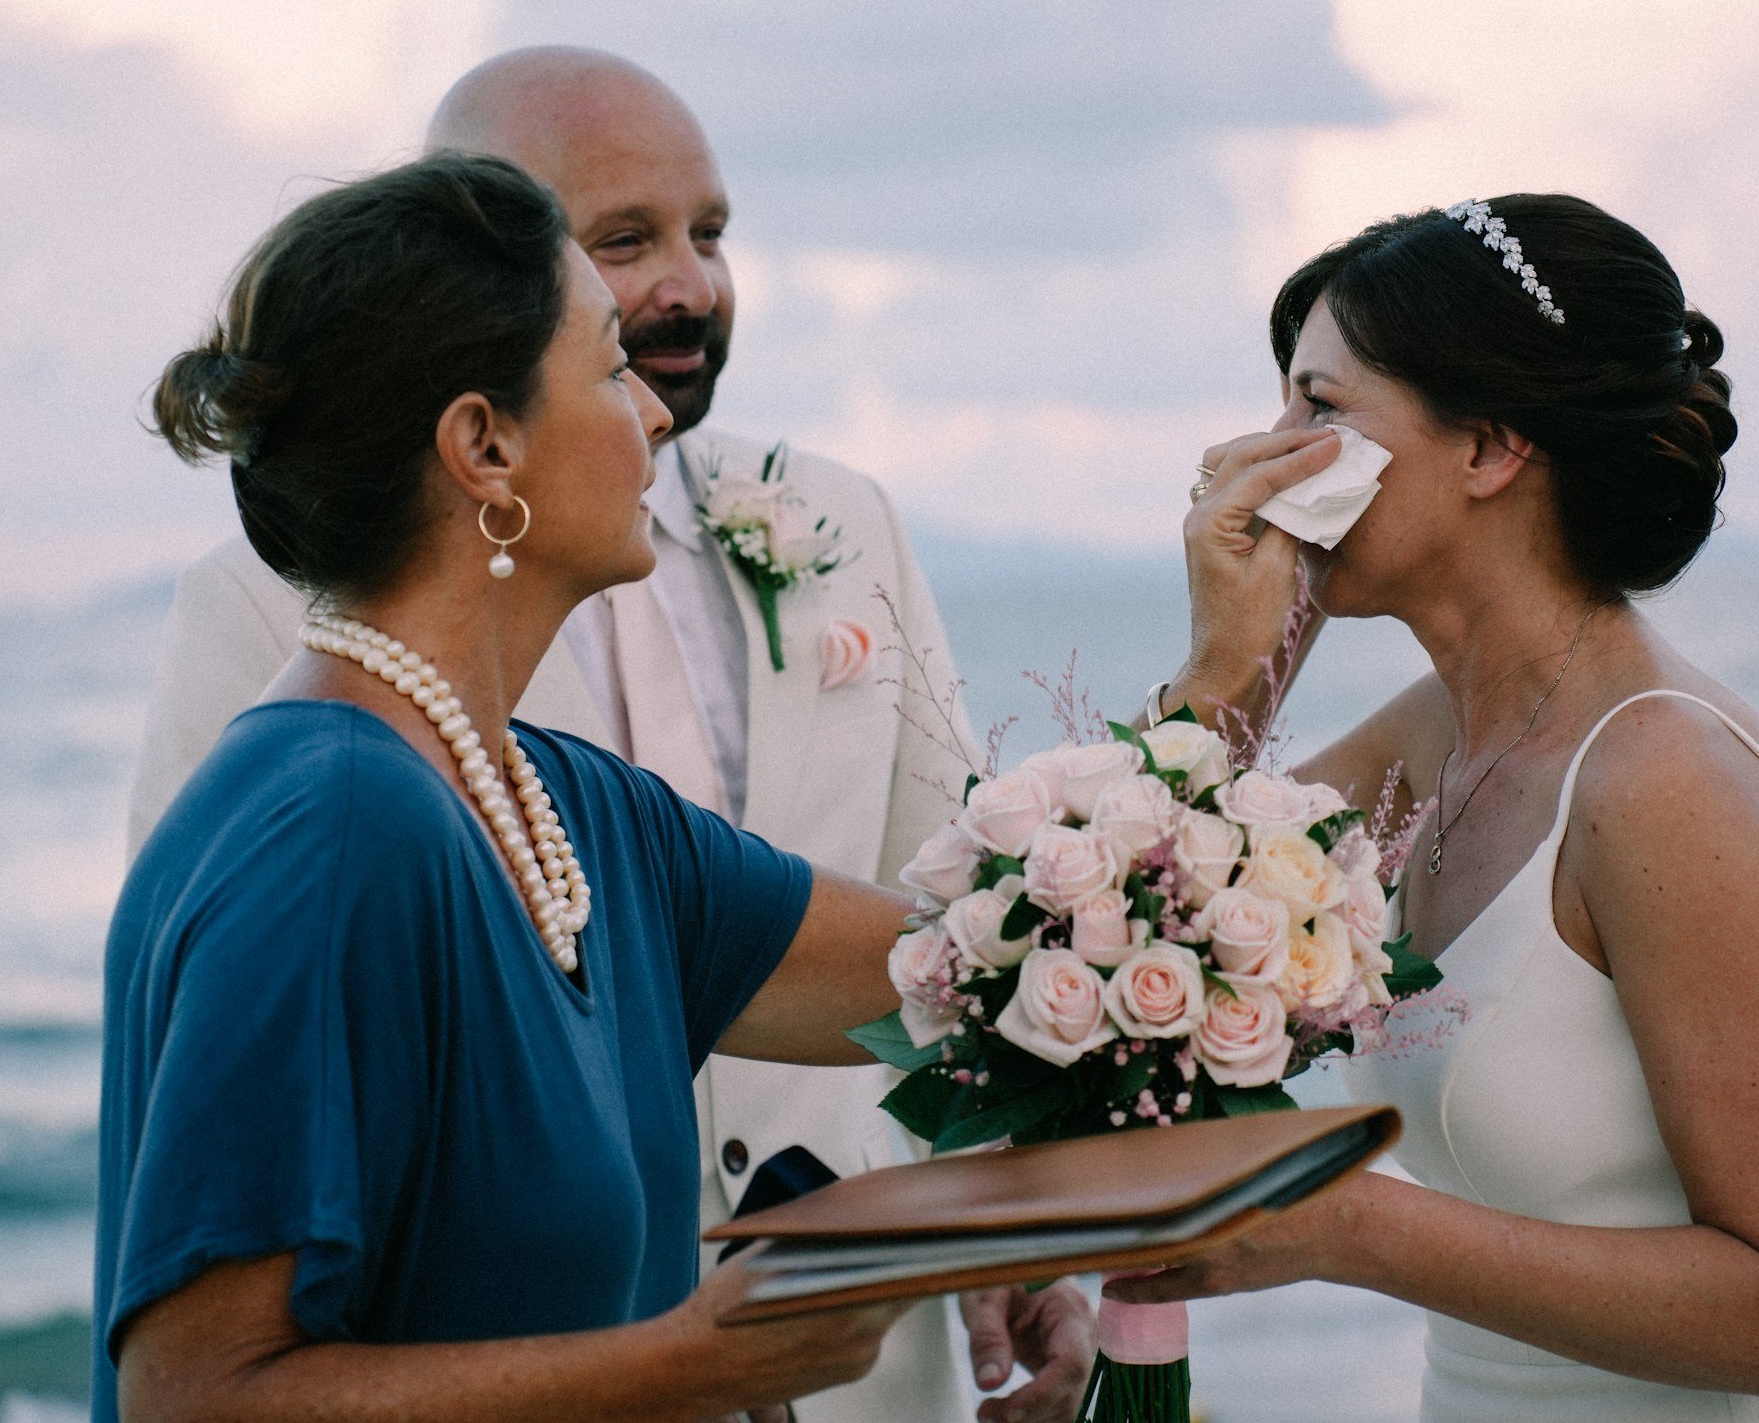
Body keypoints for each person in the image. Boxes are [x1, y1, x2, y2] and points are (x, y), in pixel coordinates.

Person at [100, 154, 1087, 1423]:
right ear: (485, 444)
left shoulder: (574, 808)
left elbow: (982, 970)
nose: (659, 418)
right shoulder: (332, 829)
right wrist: (700, 1360)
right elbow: (196, 1398)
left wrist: (1240, 791)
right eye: (612, 367)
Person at [1109, 196, 1759, 1419]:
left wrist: (1342, 1223)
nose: (1253, 456)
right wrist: (1230, 669)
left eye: (1320, 407)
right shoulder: (1436, 740)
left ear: (1486, 447)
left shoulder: (1659, 781)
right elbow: (1127, 938)